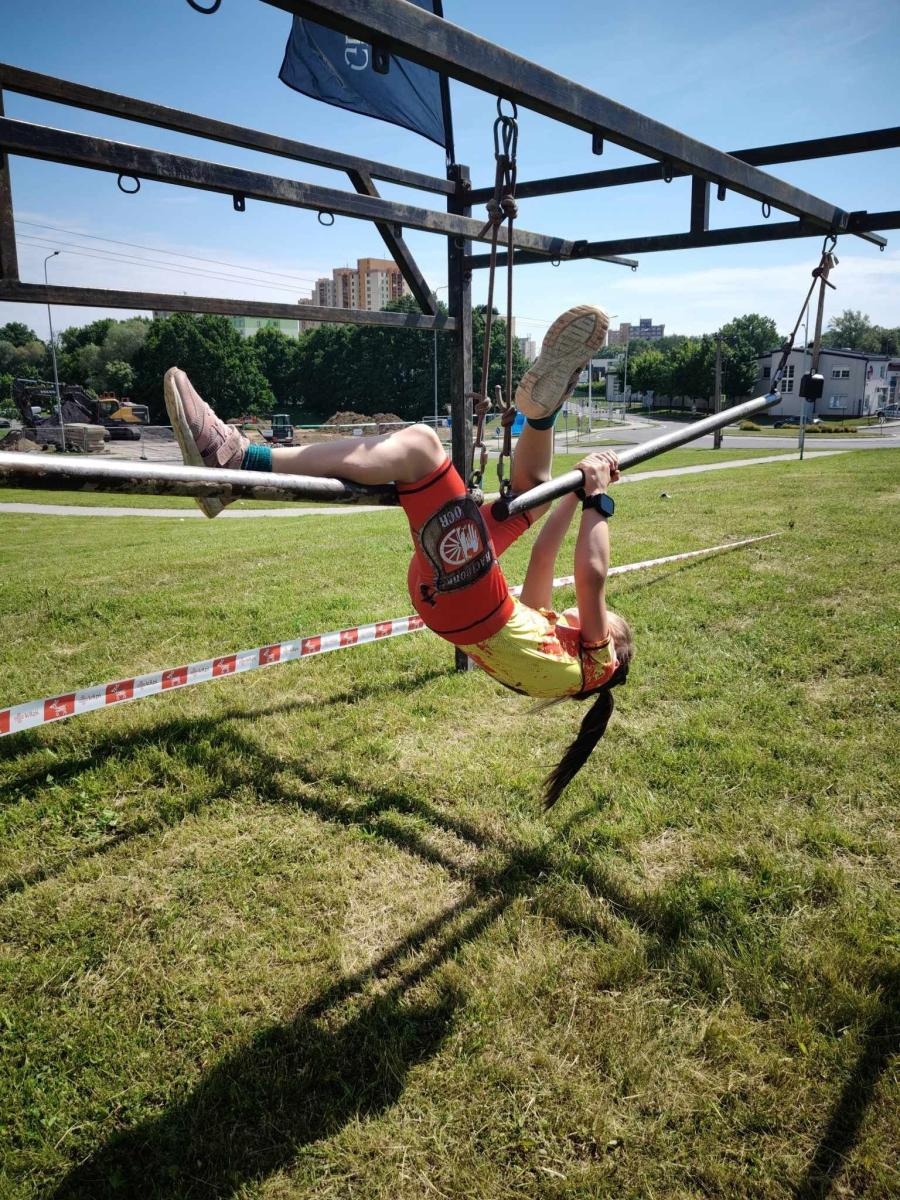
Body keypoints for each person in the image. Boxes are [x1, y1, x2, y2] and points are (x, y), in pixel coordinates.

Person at [164, 304, 633, 806]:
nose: (589, 615)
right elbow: (543, 560)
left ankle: (238, 462)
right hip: (454, 602)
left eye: (608, 621)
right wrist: (568, 492)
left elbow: (593, 575)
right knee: (530, 493)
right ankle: (542, 415)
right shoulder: (558, 656)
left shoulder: (598, 662)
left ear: (614, 645)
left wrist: (597, 500)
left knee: (421, 449)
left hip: (470, 598)